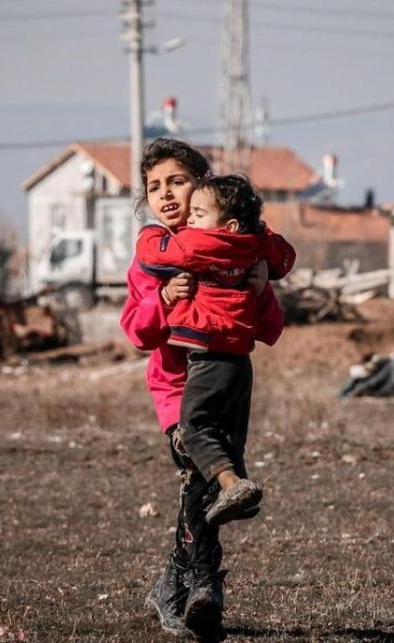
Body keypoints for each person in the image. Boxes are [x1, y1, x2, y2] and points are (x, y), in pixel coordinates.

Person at [119, 138, 287, 639]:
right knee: (200, 474)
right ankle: (203, 588)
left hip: (228, 378)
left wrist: (257, 288)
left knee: (205, 484)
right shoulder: (152, 259)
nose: (166, 195)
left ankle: (174, 584)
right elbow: (136, 333)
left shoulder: (236, 251)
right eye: (154, 187)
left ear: (204, 186)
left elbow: (268, 327)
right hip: (176, 388)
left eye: (177, 181)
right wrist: (166, 299)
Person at [134, 173, 294, 521]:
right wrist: (266, 253)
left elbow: (153, 252)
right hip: (240, 364)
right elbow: (285, 256)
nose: (190, 219)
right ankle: (240, 493)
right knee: (230, 442)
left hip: (207, 358)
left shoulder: (197, 245)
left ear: (229, 225)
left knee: (193, 429)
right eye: (154, 187)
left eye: (199, 213)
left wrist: (149, 232)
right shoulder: (252, 250)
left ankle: (232, 485)